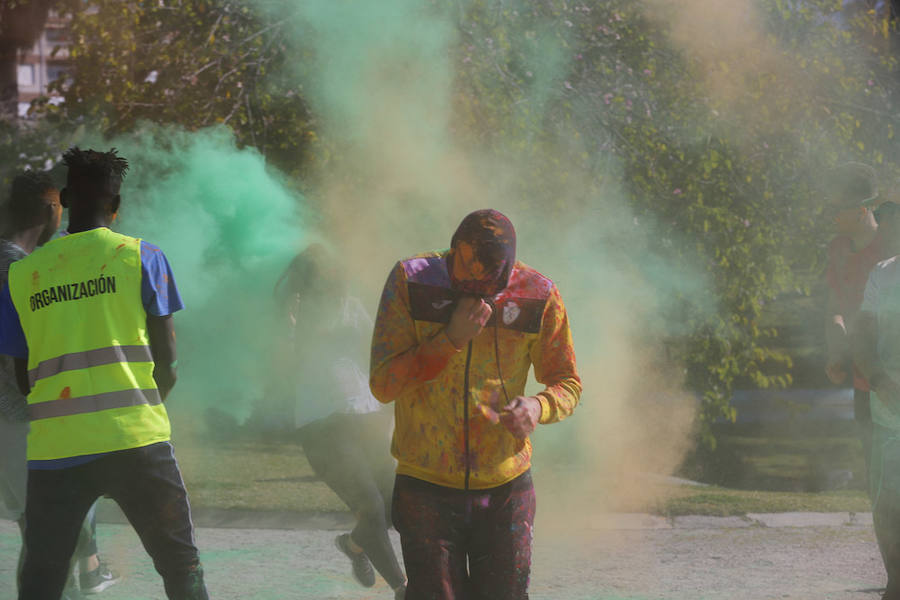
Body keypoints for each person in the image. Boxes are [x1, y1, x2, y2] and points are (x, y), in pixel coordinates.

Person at [0, 148, 209, 600]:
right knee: (179, 564)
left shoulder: (23, 275)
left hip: (57, 450)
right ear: (117, 206)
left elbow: (22, 380)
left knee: (43, 575)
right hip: (136, 441)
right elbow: (168, 362)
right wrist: (139, 404)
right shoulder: (143, 257)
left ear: (68, 198)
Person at [369, 209, 581, 599]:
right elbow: (383, 384)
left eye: (490, 289)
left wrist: (538, 406)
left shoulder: (539, 294)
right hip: (425, 487)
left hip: (506, 490)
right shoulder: (410, 280)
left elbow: (567, 383)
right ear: (453, 253)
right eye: (467, 282)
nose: (478, 296)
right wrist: (449, 339)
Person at [0, 170, 119, 598]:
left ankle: (89, 568)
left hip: (10, 423)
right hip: (24, 420)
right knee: (52, 540)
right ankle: (85, 571)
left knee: (40, 535)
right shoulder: (22, 269)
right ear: (52, 210)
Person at [274, 244, 407, 599]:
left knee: (396, 507)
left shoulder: (350, 304)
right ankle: (402, 587)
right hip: (322, 425)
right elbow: (285, 361)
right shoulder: (294, 313)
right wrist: (299, 324)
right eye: (323, 275)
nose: (333, 281)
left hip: (367, 414)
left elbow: (376, 349)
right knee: (372, 508)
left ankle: (354, 546)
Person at [824, 162, 886, 480]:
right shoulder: (838, 249)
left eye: (837, 208)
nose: (830, 215)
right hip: (864, 383)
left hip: (892, 380)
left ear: (862, 210)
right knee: (875, 474)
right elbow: (835, 306)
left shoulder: (891, 251)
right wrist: (837, 345)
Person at [852, 199, 900, 600]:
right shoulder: (882, 276)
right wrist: (882, 380)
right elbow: (863, 339)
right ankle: (896, 579)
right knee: (889, 501)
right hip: (891, 410)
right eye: (886, 223)